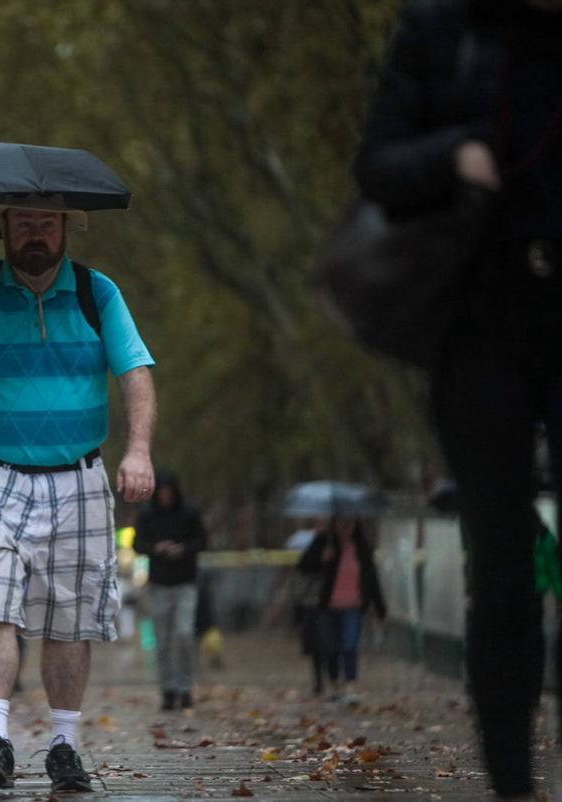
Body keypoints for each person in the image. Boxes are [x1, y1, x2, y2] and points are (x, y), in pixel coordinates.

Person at [354, 1, 562, 796]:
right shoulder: (443, 30)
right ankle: (512, 780)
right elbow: (377, 165)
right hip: (480, 322)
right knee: (503, 566)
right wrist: (455, 153)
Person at [0, 193, 156, 793]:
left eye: (47, 222)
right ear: (3, 231)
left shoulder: (99, 293)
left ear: (67, 229)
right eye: (24, 223)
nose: (36, 234)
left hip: (79, 476)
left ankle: (65, 748)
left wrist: (139, 449)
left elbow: (135, 373)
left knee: (70, 617)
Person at [132, 469, 207, 711]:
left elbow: (202, 541)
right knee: (162, 640)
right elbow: (138, 544)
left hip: (185, 583)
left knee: (184, 634)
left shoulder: (189, 513)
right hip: (159, 584)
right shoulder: (147, 516)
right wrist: (157, 548)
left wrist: (183, 549)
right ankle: (168, 688)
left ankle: (186, 686)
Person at [295, 519, 386, 704]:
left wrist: (379, 607)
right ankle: (335, 683)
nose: (345, 528)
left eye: (349, 523)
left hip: (353, 606)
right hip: (327, 607)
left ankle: (350, 685)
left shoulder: (361, 549)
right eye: (341, 523)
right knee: (330, 648)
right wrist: (322, 558)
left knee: (350, 645)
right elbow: (303, 565)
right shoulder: (323, 542)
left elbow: (372, 578)